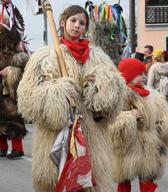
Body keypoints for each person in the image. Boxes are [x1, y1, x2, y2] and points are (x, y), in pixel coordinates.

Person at [17, 5, 126, 192]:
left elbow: (117, 92)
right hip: (56, 139)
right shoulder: (46, 57)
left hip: (92, 139)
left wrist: (100, 87)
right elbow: (28, 100)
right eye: (73, 21)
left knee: (90, 185)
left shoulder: (98, 57)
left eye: (82, 23)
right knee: (58, 184)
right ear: (62, 22)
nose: (77, 26)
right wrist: (59, 92)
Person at [109, 58, 168, 192]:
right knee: (124, 181)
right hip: (127, 146)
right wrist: (129, 117)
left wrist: (162, 126)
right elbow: (111, 123)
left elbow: (163, 116)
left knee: (147, 179)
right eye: (139, 74)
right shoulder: (119, 96)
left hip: (149, 146)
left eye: (144, 73)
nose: (144, 76)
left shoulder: (153, 95)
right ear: (129, 75)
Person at [0, 1, 29, 158]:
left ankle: (17, 148)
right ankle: (2, 147)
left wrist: (9, 72)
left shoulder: (18, 54)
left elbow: (24, 68)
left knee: (14, 117)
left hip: (10, 93)